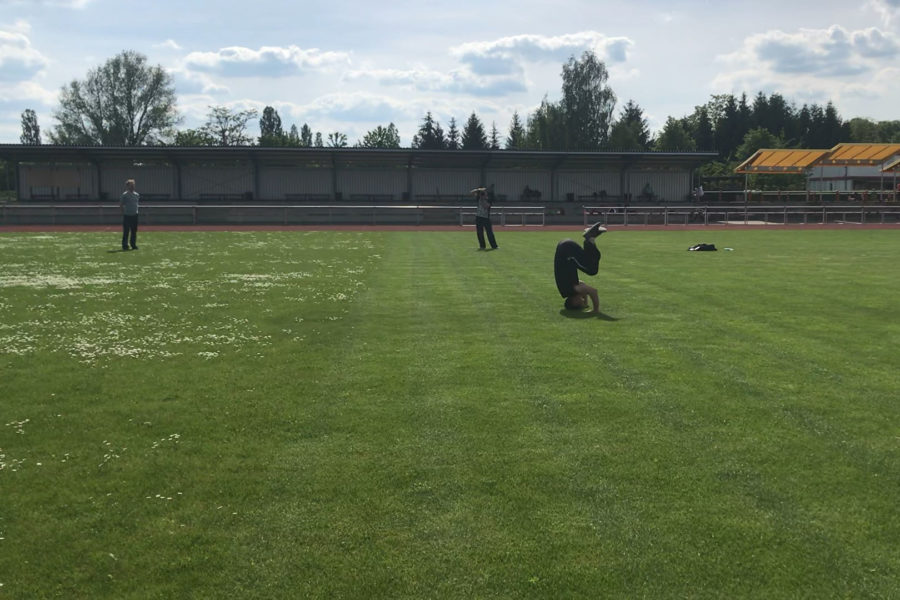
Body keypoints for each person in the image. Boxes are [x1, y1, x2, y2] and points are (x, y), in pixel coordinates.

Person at [554, 222, 607, 313]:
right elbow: (582, 284)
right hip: (565, 248)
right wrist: (586, 303)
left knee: (592, 270)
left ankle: (589, 238)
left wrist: (595, 310)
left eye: (580, 302)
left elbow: (593, 291)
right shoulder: (567, 290)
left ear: (574, 301)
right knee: (590, 260)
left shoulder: (572, 290)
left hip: (566, 251)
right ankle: (591, 238)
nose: (582, 299)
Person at [120, 179, 140, 250]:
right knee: (126, 231)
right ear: (127, 186)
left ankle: (133, 244)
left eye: (133, 185)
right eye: (131, 185)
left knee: (134, 231)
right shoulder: (124, 195)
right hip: (127, 215)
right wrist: (123, 213)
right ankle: (125, 245)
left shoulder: (137, 195)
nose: (132, 187)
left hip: (135, 215)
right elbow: (121, 204)